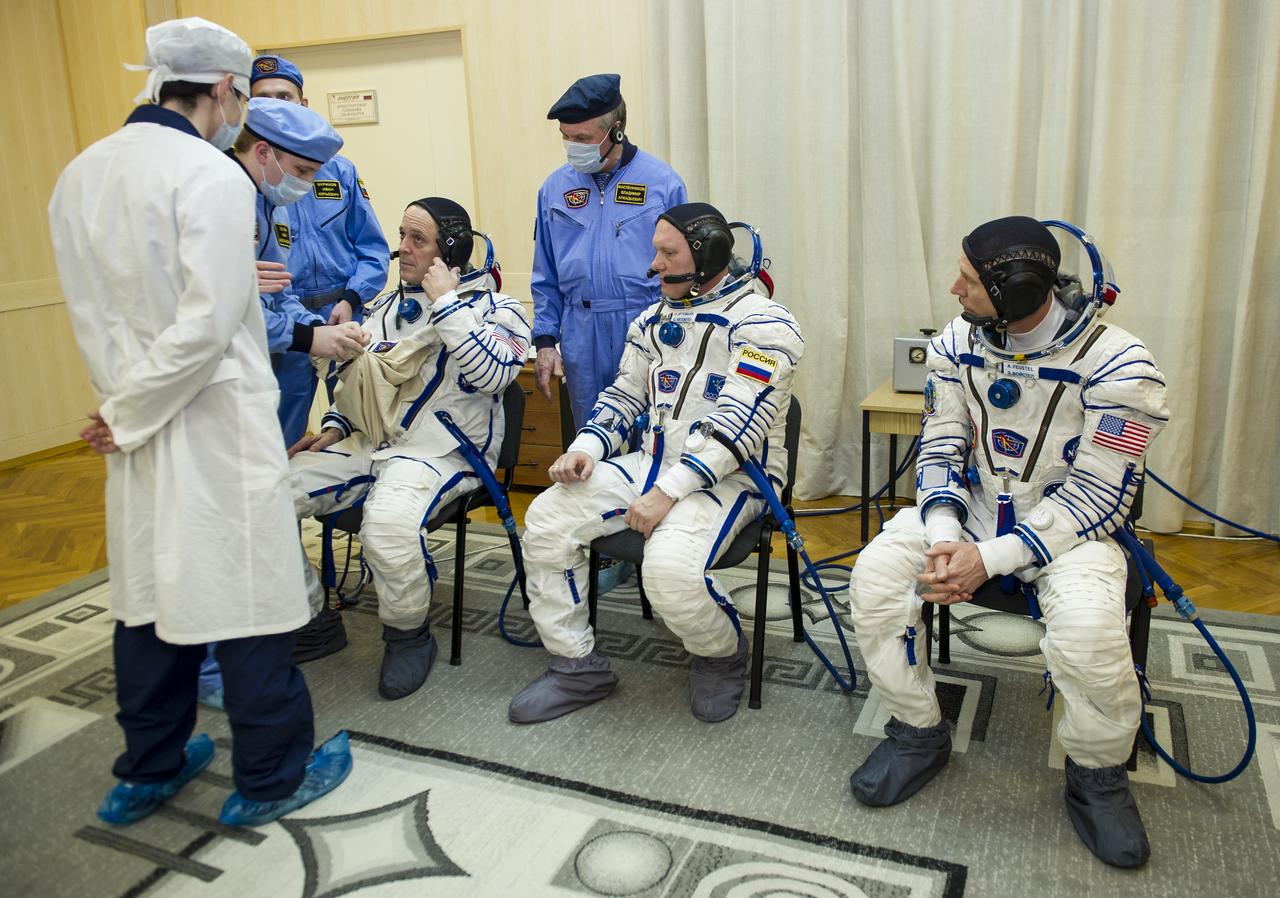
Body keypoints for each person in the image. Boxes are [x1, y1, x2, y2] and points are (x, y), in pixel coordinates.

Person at [47, 17, 351, 828]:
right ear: (224, 90)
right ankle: (272, 775)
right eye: (241, 95)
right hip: (204, 419)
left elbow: (102, 306)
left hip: (131, 421)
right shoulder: (210, 177)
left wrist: (122, 406)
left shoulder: (79, 172)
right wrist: (131, 411)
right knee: (244, 596)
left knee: (149, 597)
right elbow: (206, 324)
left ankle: (148, 765)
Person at [845, 216, 1170, 868]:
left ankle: (1096, 774)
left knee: (1088, 632)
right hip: (967, 514)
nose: (953, 289)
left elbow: (1099, 498)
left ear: (1016, 290)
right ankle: (917, 729)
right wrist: (942, 535)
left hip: (1072, 531)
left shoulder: (1122, 365)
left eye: (967, 280)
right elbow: (939, 445)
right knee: (876, 576)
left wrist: (987, 560)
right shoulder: (957, 343)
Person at [510, 203, 803, 725]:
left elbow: (739, 423)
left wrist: (669, 491)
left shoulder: (766, 326)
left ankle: (720, 655)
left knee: (667, 570)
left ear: (709, 253)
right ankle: (577, 666)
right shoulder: (653, 320)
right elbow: (624, 393)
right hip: (652, 462)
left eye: (668, 253)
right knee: (548, 518)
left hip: (737, 478)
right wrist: (587, 448)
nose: (654, 266)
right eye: (656, 252)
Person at [289, 197, 531, 699]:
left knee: (388, 524)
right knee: (263, 493)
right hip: (370, 442)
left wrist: (447, 303)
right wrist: (334, 426)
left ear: (452, 253)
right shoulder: (384, 308)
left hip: (443, 453)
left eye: (416, 240)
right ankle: (312, 618)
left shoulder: (499, 311)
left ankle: (406, 633)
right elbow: (356, 386)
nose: (401, 249)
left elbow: (492, 374)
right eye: (401, 235)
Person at [196, 95, 369, 710]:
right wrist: (307, 335)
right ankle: (218, 665)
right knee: (229, 522)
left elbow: (274, 293)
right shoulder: (229, 200)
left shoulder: (260, 204)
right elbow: (222, 311)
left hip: (254, 377)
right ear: (262, 152)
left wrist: (318, 326)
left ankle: (247, 642)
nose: (308, 186)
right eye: (301, 174)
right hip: (213, 392)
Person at [532, 73, 688, 430]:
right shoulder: (554, 189)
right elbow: (545, 274)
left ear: (615, 131)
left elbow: (687, 271)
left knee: (651, 435)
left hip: (644, 325)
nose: (573, 147)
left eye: (583, 138)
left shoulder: (662, 183)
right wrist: (544, 342)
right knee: (590, 440)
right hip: (581, 332)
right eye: (566, 139)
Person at [250, 55, 390, 446]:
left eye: (285, 96)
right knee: (281, 432)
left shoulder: (339, 171)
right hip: (283, 321)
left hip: (343, 314)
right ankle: (286, 503)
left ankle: (349, 503)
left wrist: (351, 297)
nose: (277, 105)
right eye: (265, 98)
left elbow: (374, 250)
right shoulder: (254, 184)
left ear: (303, 104)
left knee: (353, 424)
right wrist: (305, 327)